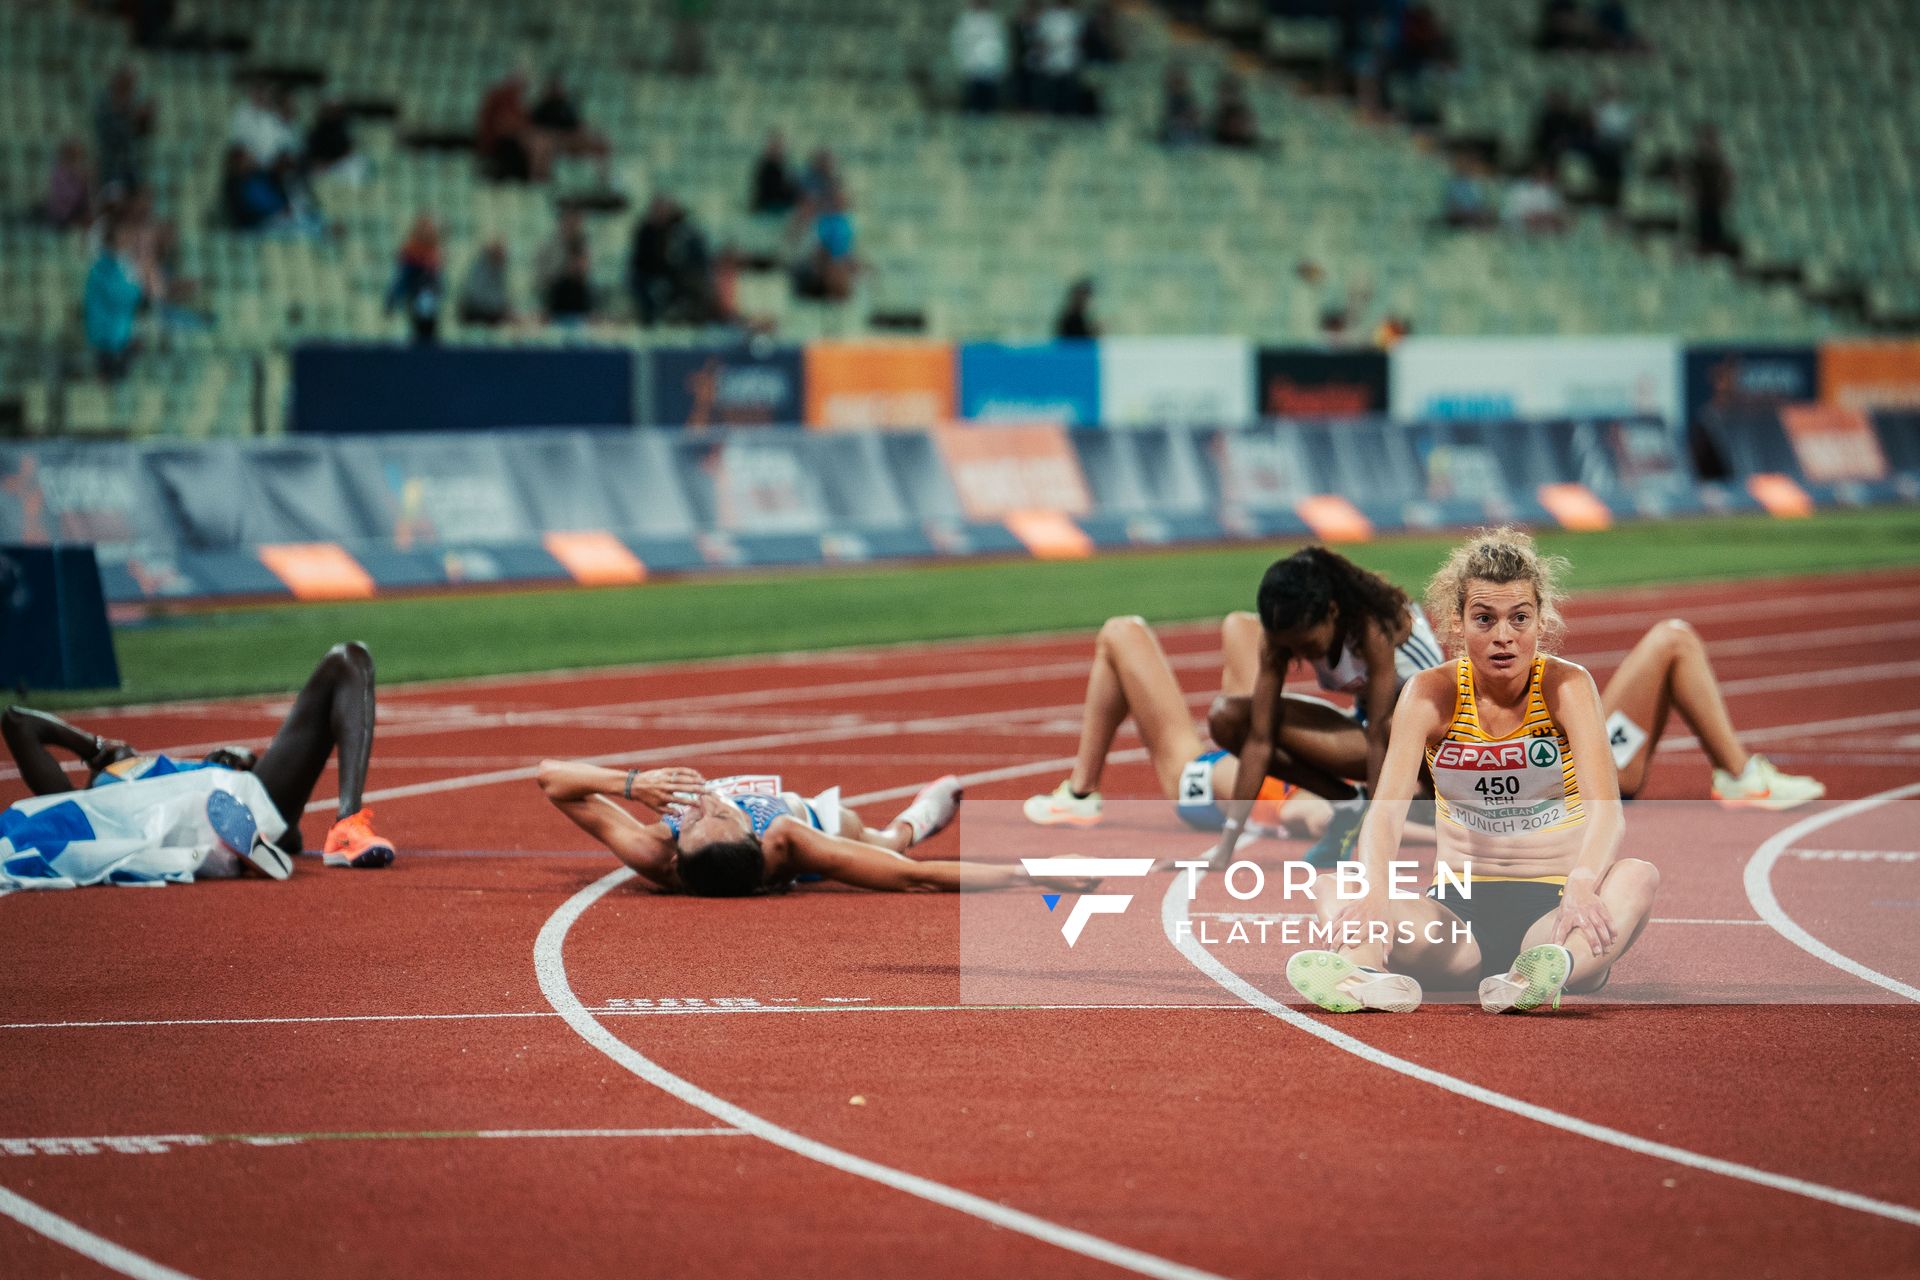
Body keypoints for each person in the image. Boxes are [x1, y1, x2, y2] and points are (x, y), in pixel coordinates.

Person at [1286, 528, 1659, 1014]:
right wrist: (1375, 893)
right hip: (1455, 921)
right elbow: (1386, 812)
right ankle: (1368, 976)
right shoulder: (1429, 693)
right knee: (1335, 884)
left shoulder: (1568, 687)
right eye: (1485, 619)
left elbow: (1606, 812)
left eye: (1519, 618)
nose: (1503, 636)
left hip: (1554, 911)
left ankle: (1550, 971)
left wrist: (1584, 884)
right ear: (1457, 623)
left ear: (1540, 620)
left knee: (1637, 876)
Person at [1, 643, 394, 889]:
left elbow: (17, 721)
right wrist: (96, 748)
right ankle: (255, 841)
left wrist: (235, 759)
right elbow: (18, 722)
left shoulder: (155, 767)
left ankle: (334, 827)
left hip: (238, 794)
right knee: (347, 660)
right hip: (192, 825)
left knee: (349, 658)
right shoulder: (89, 804)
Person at [1207, 547, 1448, 866]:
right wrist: (1225, 847)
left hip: (1439, 740)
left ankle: (1450, 813)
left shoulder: (1372, 626)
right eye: (1290, 647)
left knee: (1393, 724)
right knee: (1229, 718)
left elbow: (1380, 735)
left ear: (1332, 611)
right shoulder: (1281, 635)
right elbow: (1259, 740)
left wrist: (1375, 848)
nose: (1298, 654)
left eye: (1306, 644)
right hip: (1377, 731)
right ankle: (1347, 803)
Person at [536, 766, 1090, 895]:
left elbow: (551, 779)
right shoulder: (787, 835)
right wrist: (1032, 875)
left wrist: (631, 783)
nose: (704, 802)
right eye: (716, 814)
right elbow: (913, 877)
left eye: (695, 818)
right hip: (817, 820)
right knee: (889, 846)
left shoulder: (654, 848)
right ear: (756, 834)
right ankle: (916, 819)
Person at [1024, 616, 1331, 840]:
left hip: (1202, 778)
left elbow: (1320, 817)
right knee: (1241, 625)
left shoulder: (1317, 805)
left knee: (1121, 632)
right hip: (1256, 750)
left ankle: (1080, 793)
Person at [83, 223, 144, 381]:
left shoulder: (122, 265)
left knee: (120, 377)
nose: (126, 241)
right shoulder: (102, 267)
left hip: (119, 332)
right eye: (122, 238)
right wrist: (139, 292)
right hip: (107, 335)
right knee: (111, 377)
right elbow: (119, 295)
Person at [385, 214, 443, 343]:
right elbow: (402, 280)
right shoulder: (411, 252)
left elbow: (438, 283)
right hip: (416, 299)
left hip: (430, 301)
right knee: (419, 332)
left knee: (429, 331)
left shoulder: (435, 254)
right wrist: (392, 301)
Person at [952, 0, 1010, 114]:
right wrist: (961, 61)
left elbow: (1000, 43)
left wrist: (1000, 63)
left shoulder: (994, 20)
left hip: (991, 66)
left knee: (989, 101)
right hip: (972, 65)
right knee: (973, 100)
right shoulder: (965, 20)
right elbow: (958, 42)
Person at [457, 238, 516, 327]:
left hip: (491, 313)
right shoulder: (479, 269)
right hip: (476, 312)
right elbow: (476, 297)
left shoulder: (499, 270)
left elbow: (502, 297)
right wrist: (501, 309)